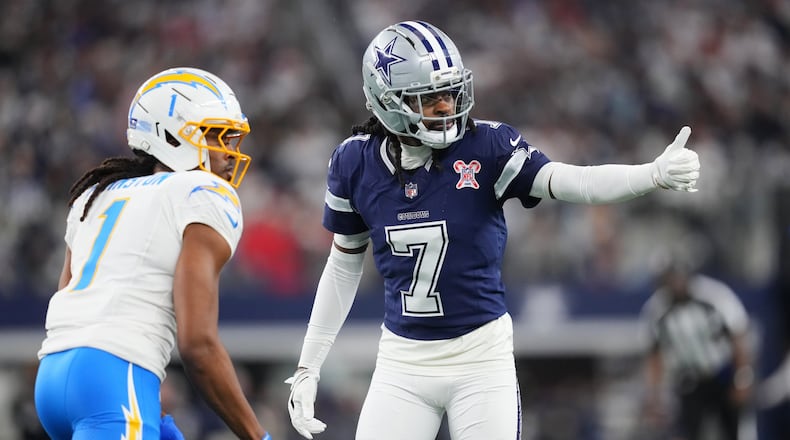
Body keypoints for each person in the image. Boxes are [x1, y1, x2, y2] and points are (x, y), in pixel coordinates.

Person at [285, 20, 700, 440]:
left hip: (480, 359)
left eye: (449, 92)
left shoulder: (487, 147)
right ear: (387, 102)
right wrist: (309, 365)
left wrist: (652, 174)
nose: (447, 107)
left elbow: (574, 182)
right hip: (403, 361)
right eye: (429, 99)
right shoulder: (354, 162)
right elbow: (343, 265)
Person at [34, 67, 271, 440]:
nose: (230, 154)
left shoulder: (96, 194)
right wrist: (258, 435)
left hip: (52, 378)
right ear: (172, 134)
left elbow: (72, 302)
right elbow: (198, 345)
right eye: (216, 136)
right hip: (115, 379)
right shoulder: (202, 192)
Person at [640, 257, 754, 440]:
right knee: (690, 432)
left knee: (733, 431)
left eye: (677, 277)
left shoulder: (714, 295)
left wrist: (742, 377)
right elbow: (655, 355)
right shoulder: (656, 309)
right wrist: (654, 396)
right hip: (689, 379)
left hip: (723, 373)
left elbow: (738, 335)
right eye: (669, 279)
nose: (674, 283)